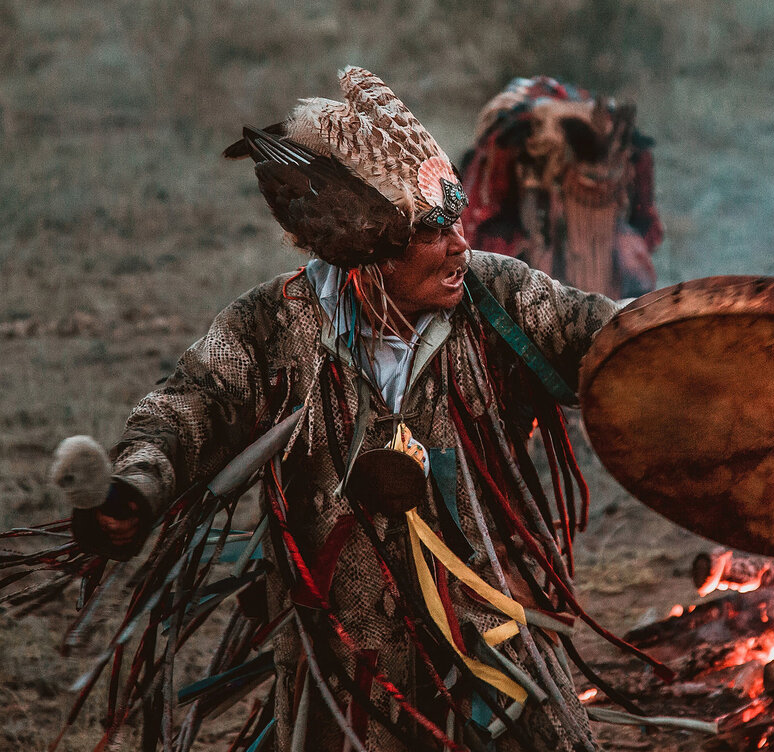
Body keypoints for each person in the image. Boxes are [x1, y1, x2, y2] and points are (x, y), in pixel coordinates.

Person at [65, 66, 669, 752]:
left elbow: (604, 332)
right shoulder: (271, 328)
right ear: (368, 249)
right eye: (433, 230)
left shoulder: (493, 297)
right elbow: (186, 411)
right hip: (346, 663)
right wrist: (134, 489)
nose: (459, 245)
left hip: (497, 651)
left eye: (457, 222)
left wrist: (702, 332)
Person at [460, 76, 664, 300]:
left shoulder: (629, 254)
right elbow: (475, 236)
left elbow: (645, 223)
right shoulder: (507, 151)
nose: (594, 183)